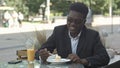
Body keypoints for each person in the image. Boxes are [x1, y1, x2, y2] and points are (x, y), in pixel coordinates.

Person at [35, 2, 110, 68]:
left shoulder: (92, 36)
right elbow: (40, 51)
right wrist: (42, 55)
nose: (72, 24)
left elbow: (104, 58)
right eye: (69, 20)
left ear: (84, 22)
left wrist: (82, 61)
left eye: (77, 21)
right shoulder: (59, 32)